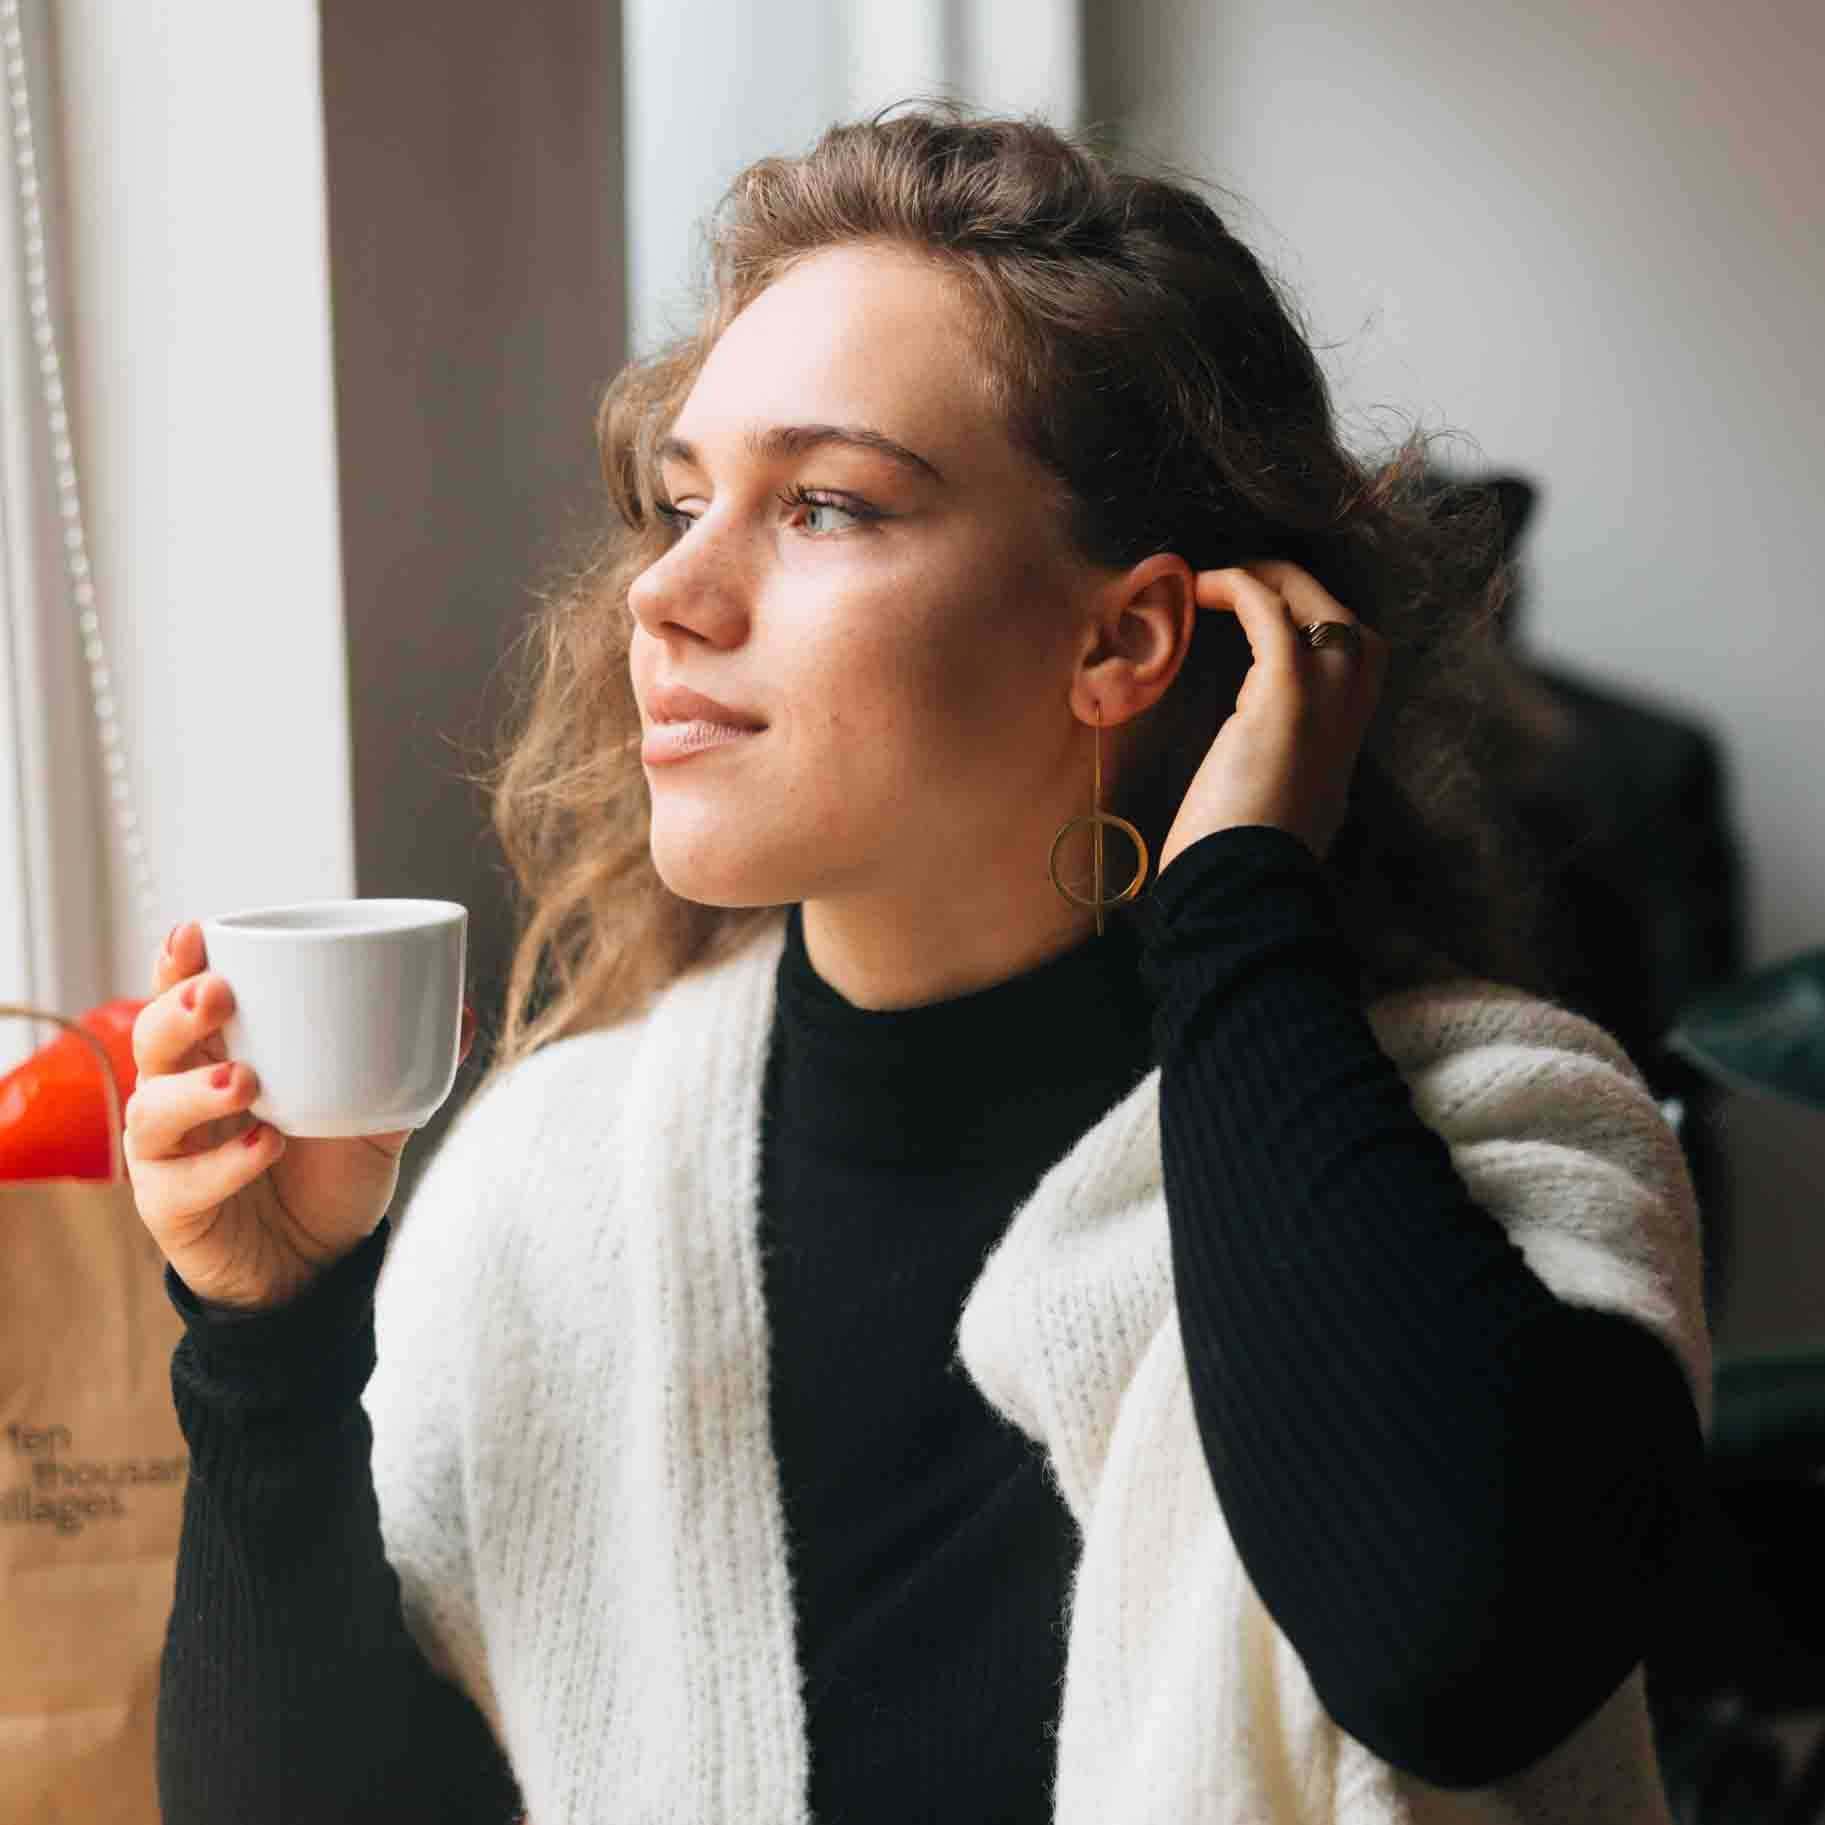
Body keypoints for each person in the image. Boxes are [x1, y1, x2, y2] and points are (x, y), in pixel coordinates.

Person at [128, 106, 1713, 1823]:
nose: (666, 590)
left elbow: (1458, 1660)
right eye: (679, 500)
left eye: (820, 504)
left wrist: (1244, 892)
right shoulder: (548, 1183)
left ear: (1123, 639)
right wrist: (264, 1340)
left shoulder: (1501, 1126)